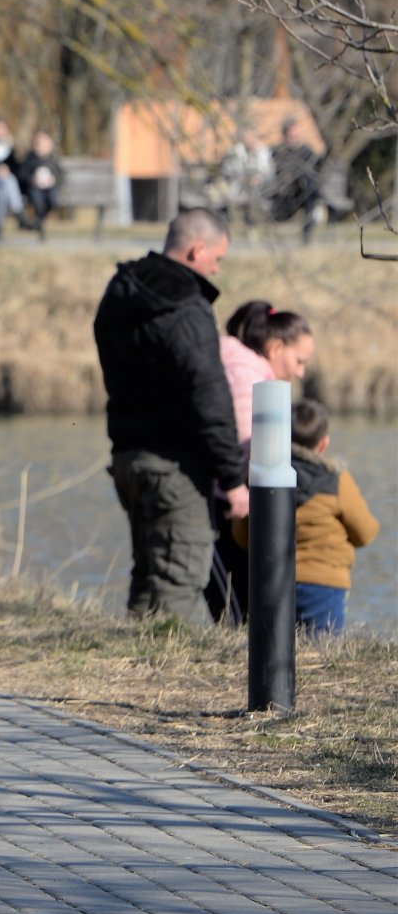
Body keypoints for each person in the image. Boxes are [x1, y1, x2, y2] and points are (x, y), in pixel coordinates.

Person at [93, 208, 249, 620]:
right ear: (197, 250)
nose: (217, 269)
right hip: (174, 468)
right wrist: (233, 478)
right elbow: (209, 394)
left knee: (148, 580)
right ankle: (148, 681)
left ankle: (128, 675)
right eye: (217, 259)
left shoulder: (120, 290)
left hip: (129, 457)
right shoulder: (184, 305)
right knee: (176, 585)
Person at [233, 401, 380, 634]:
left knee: (275, 648)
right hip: (324, 585)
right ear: (323, 444)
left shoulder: (263, 478)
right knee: (321, 651)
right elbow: (365, 532)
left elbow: (242, 536)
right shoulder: (336, 480)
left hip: (272, 581)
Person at [209, 300, 316, 622]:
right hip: (227, 498)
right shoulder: (248, 377)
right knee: (237, 599)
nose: (301, 371)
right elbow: (244, 443)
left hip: (224, 493)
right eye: (299, 360)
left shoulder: (247, 368)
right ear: (275, 347)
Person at [269, 119, 322, 242]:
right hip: (287, 193)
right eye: (292, 132)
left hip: (306, 191)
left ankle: (307, 237)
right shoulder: (279, 152)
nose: (295, 135)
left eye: (296, 132)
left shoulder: (306, 151)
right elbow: (280, 173)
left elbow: (317, 168)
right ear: (285, 134)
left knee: (310, 191)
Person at [16, 129, 63, 231]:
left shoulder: (53, 159)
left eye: (44, 141)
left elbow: (61, 175)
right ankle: (38, 222)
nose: (41, 144)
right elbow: (22, 174)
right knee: (37, 200)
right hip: (34, 189)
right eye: (38, 142)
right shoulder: (30, 158)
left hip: (50, 189)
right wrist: (32, 179)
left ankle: (38, 220)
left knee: (53, 201)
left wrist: (53, 180)